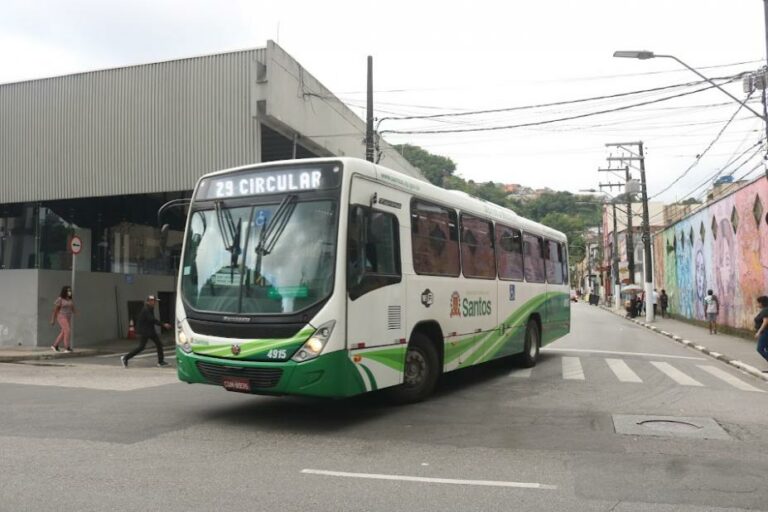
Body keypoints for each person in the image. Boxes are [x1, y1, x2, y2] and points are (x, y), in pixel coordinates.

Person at [121, 295, 171, 368]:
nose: (155, 303)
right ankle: (125, 358)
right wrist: (163, 324)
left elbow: (151, 320)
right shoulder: (146, 309)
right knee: (141, 347)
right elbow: (152, 319)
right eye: (154, 301)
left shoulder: (150, 308)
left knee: (159, 344)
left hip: (150, 331)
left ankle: (161, 362)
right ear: (149, 301)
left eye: (155, 301)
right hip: (145, 331)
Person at [51, 285, 76, 352]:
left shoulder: (70, 299)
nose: (69, 292)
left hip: (68, 317)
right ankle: (67, 347)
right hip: (61, 317)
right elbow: (55, 310)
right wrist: (53, 319)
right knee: (67, 330)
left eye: (70, 290)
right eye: (68, 291)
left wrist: (75, 312)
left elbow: (72, 308)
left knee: (63, 332)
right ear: (65, 291)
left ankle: (55, 345)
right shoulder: (60, 299)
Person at [754, 296, 768, 371]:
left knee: (760, 349)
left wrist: (759, 332)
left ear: (762, 303)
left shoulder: (765, 310)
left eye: (758, 303)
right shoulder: (765, 310)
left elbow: (765, 322)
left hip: (765, 332)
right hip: (765, 332)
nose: (757, 304)